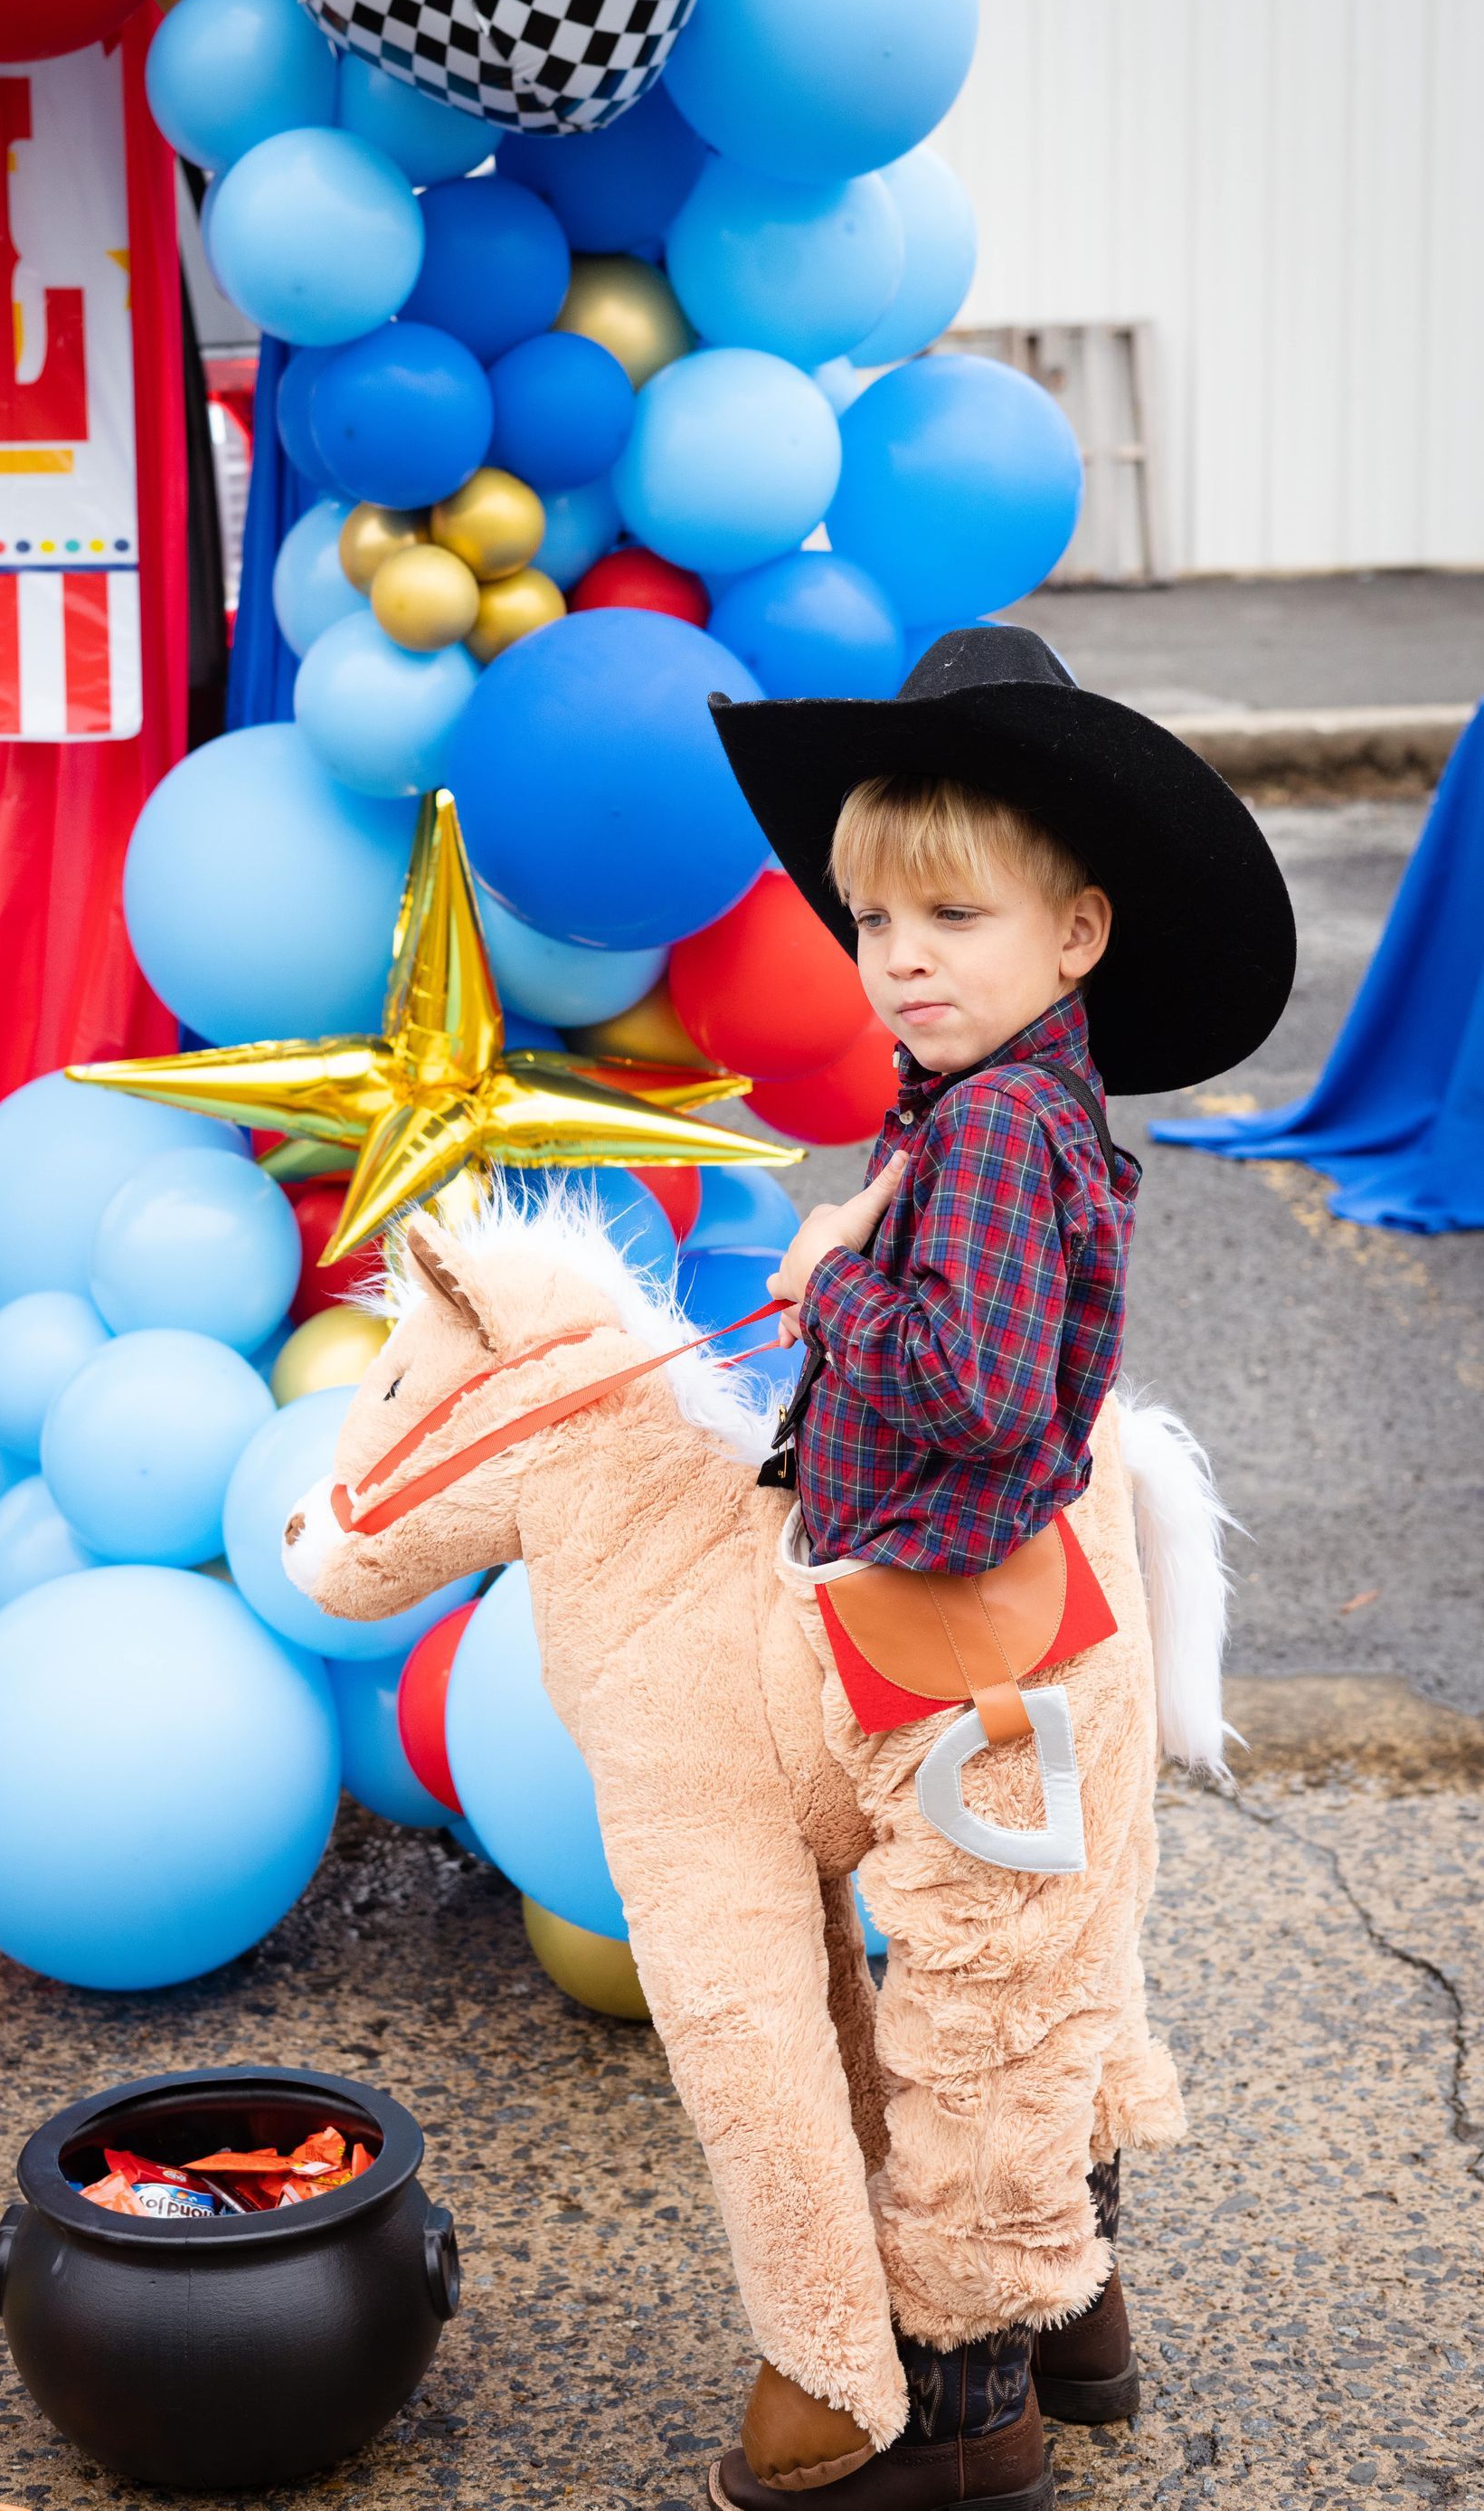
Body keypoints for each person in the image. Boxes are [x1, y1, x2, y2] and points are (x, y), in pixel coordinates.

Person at [701, 624, 1295, 2511]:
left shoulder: (997, 1137)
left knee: (974, 2008)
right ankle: (1076, 2307)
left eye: (950, 914)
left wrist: (832, 1289)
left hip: (967, 1653)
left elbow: (971, 1383)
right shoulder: (981, 1112)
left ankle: (963, 2412)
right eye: (874, 920)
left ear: (1079, 934)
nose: (900, 958)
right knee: (1039, 1983)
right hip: (976, 1615)